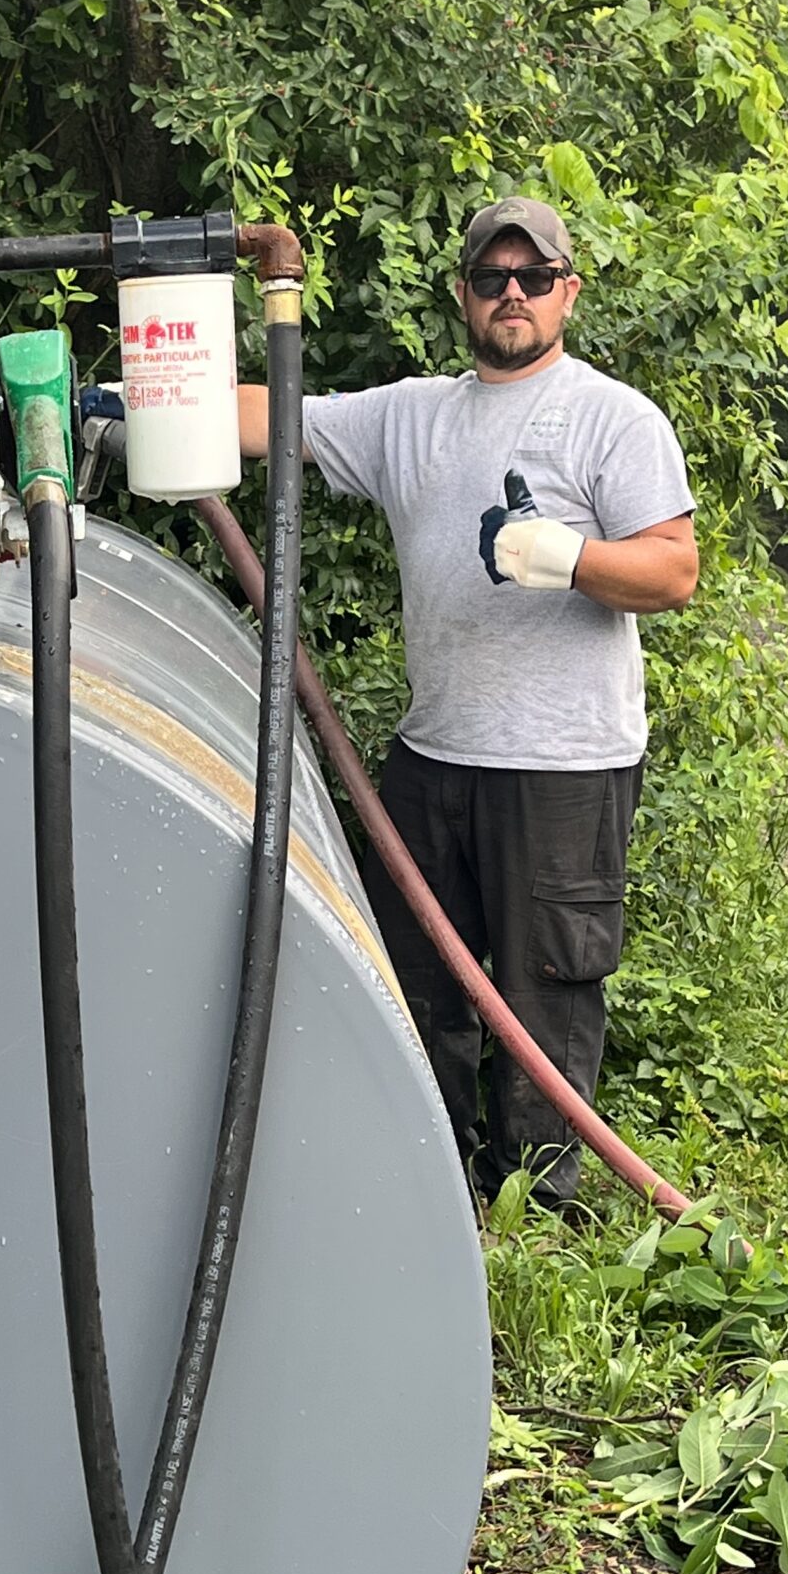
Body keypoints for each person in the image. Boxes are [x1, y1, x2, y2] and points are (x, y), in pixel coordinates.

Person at [235, 196, 698, 1208]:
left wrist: (569, 556)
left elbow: (671, 571)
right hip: (434, 756)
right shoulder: (411, 416)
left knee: (544, 990)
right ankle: (429, 1193)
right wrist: (117, 395)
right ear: (464, 295)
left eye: (533, 276)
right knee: (413, 979)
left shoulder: (613, 418)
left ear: (569, 289)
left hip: (565, 765)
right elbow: (268, 418)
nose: (514, 294)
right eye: (493, 278)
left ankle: (537, 1204)